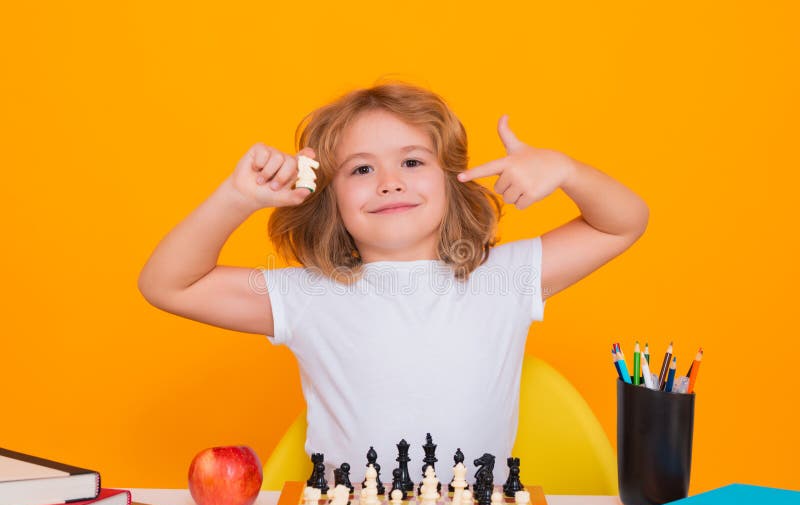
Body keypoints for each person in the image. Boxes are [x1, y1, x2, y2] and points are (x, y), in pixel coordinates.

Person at [138, 81, 649, 483]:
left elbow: (623, 221)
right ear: (329, 200)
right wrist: (237, 198)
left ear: (452, 182)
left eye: (411, 161)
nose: (389, 180)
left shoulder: (504, 279)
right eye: (360, 169)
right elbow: (168, 285)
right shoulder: (309, 295)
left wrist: (566, 170)